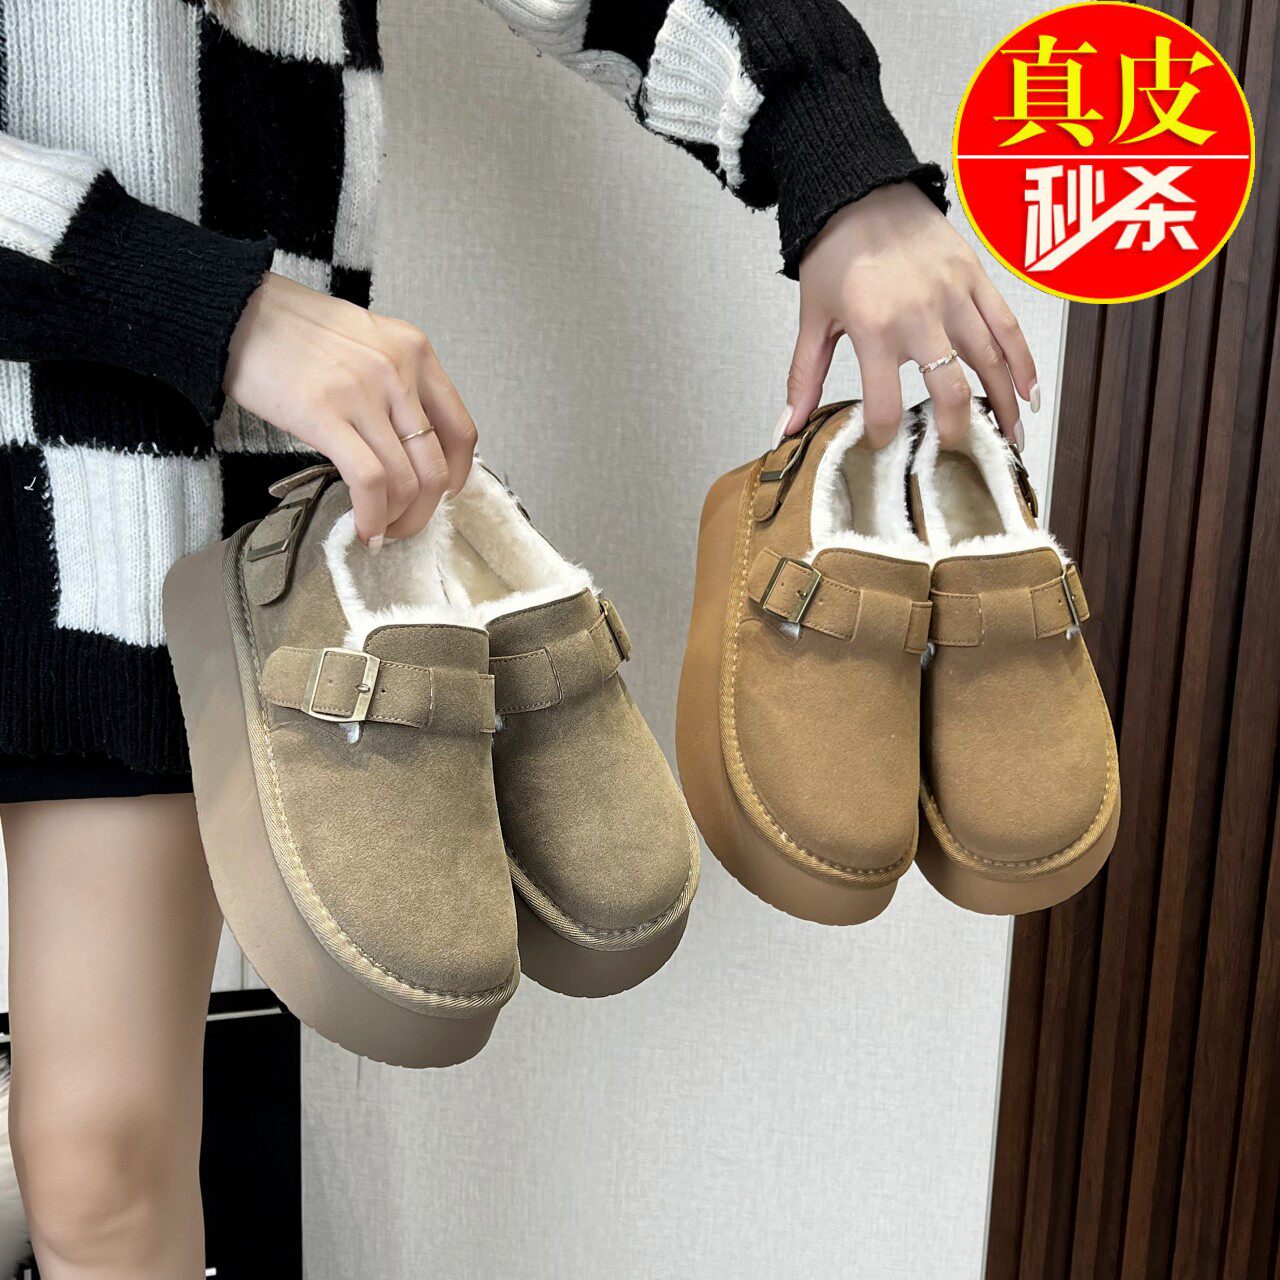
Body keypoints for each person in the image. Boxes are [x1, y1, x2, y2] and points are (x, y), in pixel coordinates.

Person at [0, 1, 1038, 1275]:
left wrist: (834, 156)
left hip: (130, 470)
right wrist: (201, 302)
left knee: (104, 1160)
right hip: (195, 346)